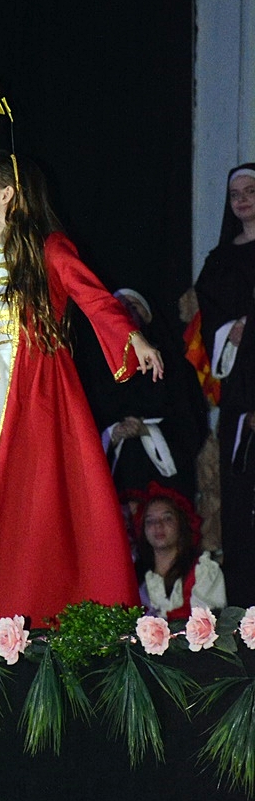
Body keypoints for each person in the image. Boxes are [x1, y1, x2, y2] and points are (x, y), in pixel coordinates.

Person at [0, 151, 164, 637]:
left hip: (38, 392)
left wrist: (134, 338)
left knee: (34, 498)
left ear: (6, 194)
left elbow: (93, 296)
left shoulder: (49, 248)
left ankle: (35, 608)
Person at [77, 287, 207, 503]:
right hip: (116, 466)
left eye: (133, 306)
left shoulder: (176, 367)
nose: (127, 313)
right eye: (120, 309)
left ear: (148, 316)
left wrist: (147, 431)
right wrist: (113, 433)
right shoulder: (95, 371)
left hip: (165, 466)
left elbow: (192, 421)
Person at [195, 164, 255, 607]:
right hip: (240, 391)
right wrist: (233, 329)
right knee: (239, 501)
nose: (243, 200)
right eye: (236, 194)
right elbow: (212, 317)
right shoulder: (219, 260)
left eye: (251, 191)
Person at [134, 483, 226, 620]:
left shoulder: (203, 572)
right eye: (150, 521)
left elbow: (209, 623)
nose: (158, 525)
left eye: (167, 518)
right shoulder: (136, 576)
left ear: (181, 524)